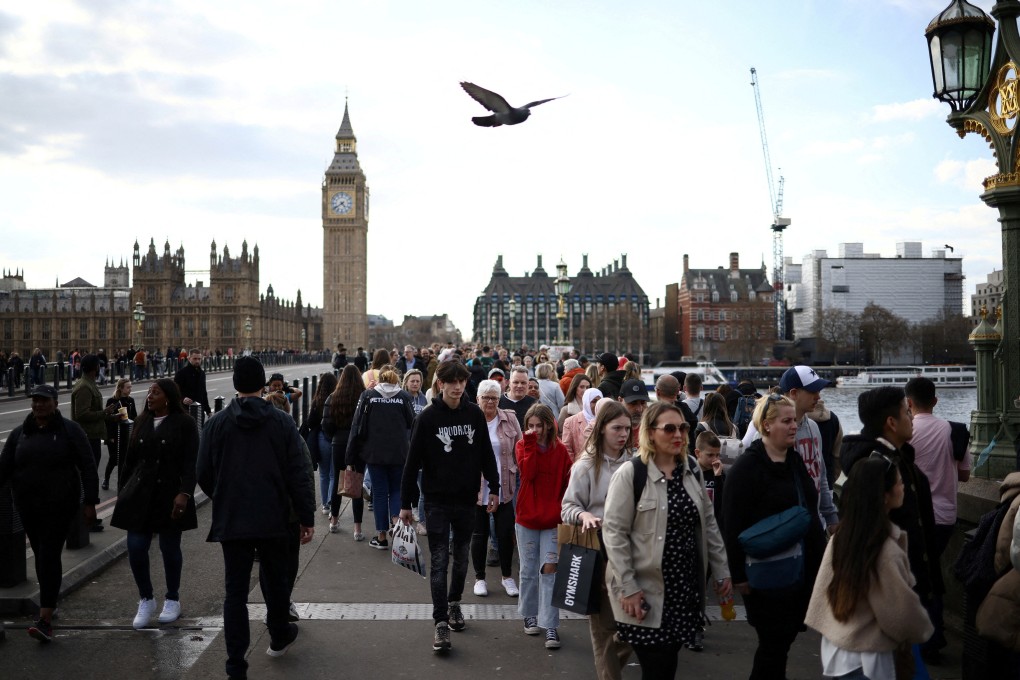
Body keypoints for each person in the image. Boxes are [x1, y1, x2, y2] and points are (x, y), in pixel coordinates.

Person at [196, 356, 315, 679]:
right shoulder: (281, 422)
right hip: (274, 516)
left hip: (233, 518)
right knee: (276, 583)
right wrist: (306, 516)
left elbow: (203, 473)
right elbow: (298, 474)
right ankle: (279, 633)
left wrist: (224, 496)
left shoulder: (216, 423)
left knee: (234, 593)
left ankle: (236, 664)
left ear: (235, 385)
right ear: (263, 385)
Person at [602, 402, 731, 680]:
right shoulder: (631, 474)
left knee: (668, 664)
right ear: (650, 433)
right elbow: (614, 533)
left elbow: (708, 524)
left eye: (683, 428)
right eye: (670, 428)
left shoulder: (692, 468)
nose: (679, 435)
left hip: (682, 590)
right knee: (657, 667)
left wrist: (721, 572)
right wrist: (629, 586)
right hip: (644, 590)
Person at [722, 394, 827, 680]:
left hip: (798, 571)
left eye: (794, 420)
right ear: (766, 426)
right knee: (773, 644)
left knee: (782, 642)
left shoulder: (793, 461)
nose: (794, 426)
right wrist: (738, 576)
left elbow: (810, 509)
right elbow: (730, 525)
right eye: (787, 421)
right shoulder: (747, 468)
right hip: (764, 574)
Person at [399, 359, 500, 654]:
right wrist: (406, 503)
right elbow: (412, 462)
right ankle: (440, 621)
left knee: (460, 560)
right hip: (436, 500)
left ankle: (455, 603)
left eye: (461, 381)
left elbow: (485, 456)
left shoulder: (474, 414)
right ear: (441, 383)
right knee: (440, 560)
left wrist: (494, 487)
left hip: (467, 498)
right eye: (452, 382)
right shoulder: (428, 418)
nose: (457, 387)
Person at [839, 386, 943, 663]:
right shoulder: (878, 468)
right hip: (892, 595)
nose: (912, 417)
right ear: (891, 422)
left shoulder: (894, 459)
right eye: (907, 412)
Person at [805, 455, 934, 680]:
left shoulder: (843, 537)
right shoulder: (884, 550)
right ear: (884, 496)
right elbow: (900, 613)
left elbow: (824, 589)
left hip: (837, 652)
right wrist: (923, 628)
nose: (903, 487)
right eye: (899, 483)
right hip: (870, 658)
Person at [0, 384, 98, 643]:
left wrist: (90, 502)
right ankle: (49, 601)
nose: (38, 405)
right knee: (43, 555)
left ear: (55, 403)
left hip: (60, 506)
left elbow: (88, 465)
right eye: (35, 401)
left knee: (48, 554)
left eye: (43, 401)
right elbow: (4, 467)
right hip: (28, 506)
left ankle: (44, 620)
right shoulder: (20, 433)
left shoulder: (69, 430)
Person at [111, 379, 199, 629]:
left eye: (155, 393)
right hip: (140, 495)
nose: (149, 396)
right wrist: (123, 493)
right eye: (149, 392)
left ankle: (172, 599)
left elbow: (191, 463)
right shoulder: (142, 421)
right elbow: (129, 462)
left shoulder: (185, 424)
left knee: (169, 548)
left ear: (168, 397)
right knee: (136, 547)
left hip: (169, 494)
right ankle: (146, 598)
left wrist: (184, 493)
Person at [561, 400, 634, 680]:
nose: (623, 434)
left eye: (627, 429)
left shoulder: (635, 463)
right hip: (598, 551)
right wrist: (585, 516)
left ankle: (609, 669)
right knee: (604, 630)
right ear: (602, 428)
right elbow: (567, 508)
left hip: (631, 551)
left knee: (633, 626)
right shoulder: (586, 465)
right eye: (617, 428)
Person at [904, 376, 970, 660]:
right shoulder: (955, 431)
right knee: (932, 577)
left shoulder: (904, 432)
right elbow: (965, 475)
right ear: (935, 400)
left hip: (913, 517)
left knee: (915, 578)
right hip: (945, 517)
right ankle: (934, 638)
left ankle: (920, 639)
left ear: (908, 403)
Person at [742, 365, 839, 533]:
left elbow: (820, 473)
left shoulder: (814, 428)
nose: (818, 396)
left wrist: (830, 516)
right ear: (794, 393)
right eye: (812, 391)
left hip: (814, 522)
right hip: (784, 525)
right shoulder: (766, 433)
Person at [515, 402, 572, 650]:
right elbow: (528, 473)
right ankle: (530, 614)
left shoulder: (561, 451)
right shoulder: (522, 445)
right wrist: (529, 445)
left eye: (539, 425)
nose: (535, 430)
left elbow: (568, 483)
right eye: (530, 426)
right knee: (528, 571)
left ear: (549, 424)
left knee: (549, 572)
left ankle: (551, 625)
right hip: (527, 517)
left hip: (552, 520)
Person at [347, 367, 415, 549]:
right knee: (395, 490)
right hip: (399, 452)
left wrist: (350, 454)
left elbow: (357, 424)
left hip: (374, 452)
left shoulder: (368, 396)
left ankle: (381, 536)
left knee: (379, 493)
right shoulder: (404, 397)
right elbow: (412, 422)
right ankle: (396, 524)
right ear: (395, 380)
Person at [471, 379, 522, 598]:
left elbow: (520, 447)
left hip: (505, 485)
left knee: (504, 532)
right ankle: (479, 578)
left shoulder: (509, 418)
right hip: (477, 487)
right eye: (486, 397)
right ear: (478, 399)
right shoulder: (470, 418)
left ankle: (507, 577)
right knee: (479, 534)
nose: (490, 402)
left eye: (494, 397)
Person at [72, 354, 118, 529]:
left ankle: (89, 516)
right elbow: (81, 414)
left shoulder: (89, 383)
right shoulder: (84, 386)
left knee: (90, 478)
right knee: (88, 478)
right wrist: (104, 413)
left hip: (92, 436)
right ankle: (86, 519)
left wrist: (111, 416)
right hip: (86, 438)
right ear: (95, 368)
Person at [322, 364, 366, 538]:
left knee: (339, 482)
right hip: (358, 444)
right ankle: (357, 529)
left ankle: (333, 521)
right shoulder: (363, 397)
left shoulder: (333, 397)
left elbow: (326, 425)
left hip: (338, 443)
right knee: (357, 484)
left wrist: (335, 436)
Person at [305, 372, 339, 515]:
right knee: (333, 474)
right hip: (336, 438)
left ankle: (325, 505)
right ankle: (332, 502)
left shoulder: (317, 400)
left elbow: (310, 423)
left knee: (324, 474)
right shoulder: (338, 399)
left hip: (321, 438)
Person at [103, 377, 138, 490]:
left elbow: (134, 417)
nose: (130, 389)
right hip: (114, 435)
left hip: (127, 435)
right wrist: (110, 437)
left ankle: (122, 483)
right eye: (128, 387)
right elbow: (107, 420)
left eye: (131, 387)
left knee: (125, 460)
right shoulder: (112, 401)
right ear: (121, 388)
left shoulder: (130, 401)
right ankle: (106, 479)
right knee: (114, 459)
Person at [693, 430, 725, 530]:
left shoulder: (720, 474)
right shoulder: (691, 473)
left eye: (717, 455)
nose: (715, 459)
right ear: (698, 453)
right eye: (710, 455)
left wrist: (718, 477)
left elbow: (722, 503)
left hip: (714, 526)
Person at [562, 388, 603, 463]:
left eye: (599, 401)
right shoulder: (570, 422)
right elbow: (567, 449)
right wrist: (574, 469)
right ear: (586, 402)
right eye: (593, 401)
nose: (597, 405)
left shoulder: (607, 420)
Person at [174, 349, 211, 417]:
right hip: (186, 410)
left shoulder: (202, 373)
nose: (197, 361)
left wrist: (208, 411)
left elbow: (204, 393)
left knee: (200, 427)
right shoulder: (181, 373)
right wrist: (183, 399)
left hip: (200, 410)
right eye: (195, 359)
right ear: (189, 358)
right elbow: (174, 392)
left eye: (199, 359)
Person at [617, 379, 649, 449]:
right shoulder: (608, 429)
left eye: (643, 403)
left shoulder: (652, 429)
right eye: (633, 403)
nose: (639, 409)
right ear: (620, 401)